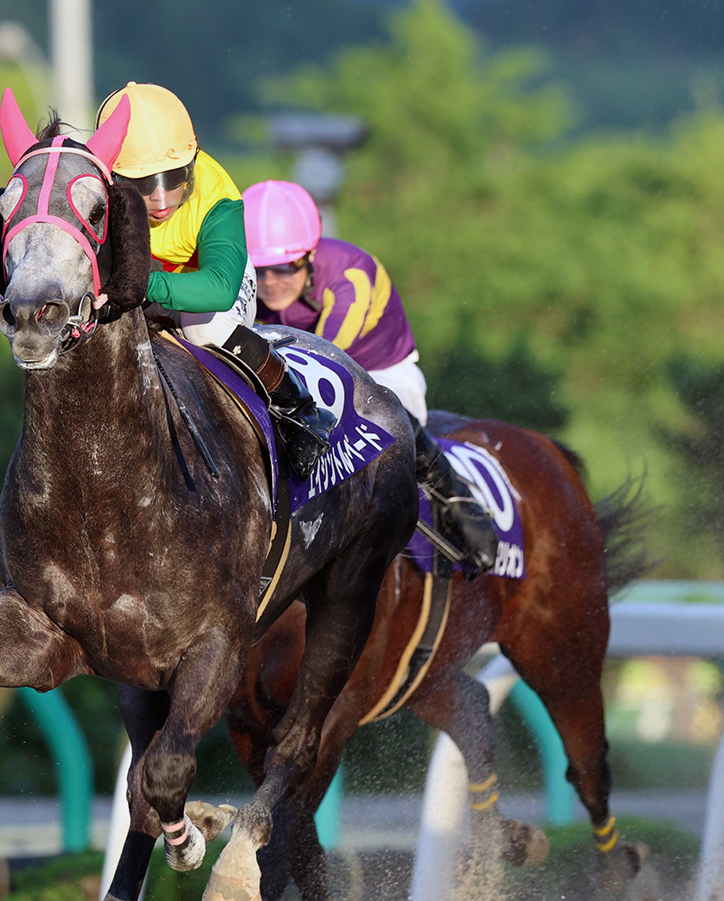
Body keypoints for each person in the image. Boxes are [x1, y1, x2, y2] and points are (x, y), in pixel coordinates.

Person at [242, 179, 497, 573]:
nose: (271, 282)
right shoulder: (252, 278)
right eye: (260, 270)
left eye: (284, 267)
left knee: (388, 427)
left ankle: (457, 500)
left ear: (309, 255)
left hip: (380, 376)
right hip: (289, 372)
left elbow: (324, 360)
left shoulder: (352, 276)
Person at [95, 82, 333, 478]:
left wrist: (139, 285)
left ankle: (298, 406)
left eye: (174, 178)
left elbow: (220, 289)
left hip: (210, 284)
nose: (162, 199)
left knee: (203, 326)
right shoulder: (96, 188)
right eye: (142, 185)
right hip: (141, 280)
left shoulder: (216, 193)